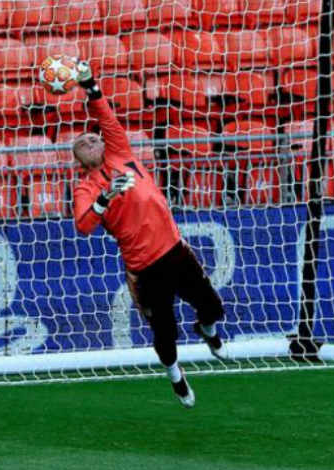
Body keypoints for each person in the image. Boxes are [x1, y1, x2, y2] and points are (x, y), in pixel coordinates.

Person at [70, 61, 228, 408]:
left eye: (94, 135)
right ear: (80, 161)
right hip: (145, 267)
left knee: (213, 307)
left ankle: (207, 328)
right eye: (84, 140)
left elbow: (105, 115)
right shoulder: (87, 187)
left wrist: (90, 85)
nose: (92, 137)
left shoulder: (120, 153)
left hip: (175, 250)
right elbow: (82, 225)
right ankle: (176, 378)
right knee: (165, 332)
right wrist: (106, 197)